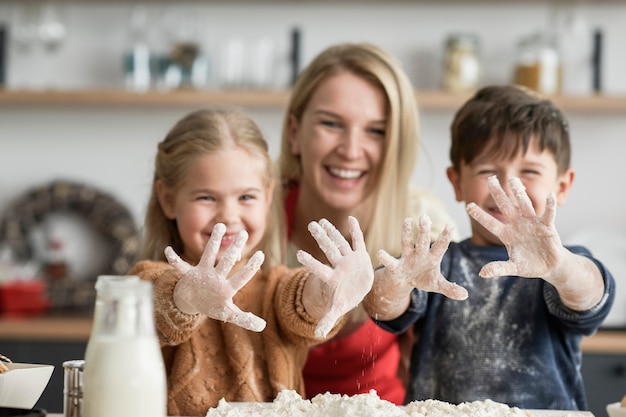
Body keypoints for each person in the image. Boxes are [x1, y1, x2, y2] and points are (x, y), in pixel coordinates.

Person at [363, 84, 616, 410]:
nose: (507, 186)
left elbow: (592, 297)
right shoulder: (437, 263)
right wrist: (398, 282)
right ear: (456, 182)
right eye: (487, 171)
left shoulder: (562, 265)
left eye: (529, 172)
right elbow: (381, 307)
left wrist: (561, 268)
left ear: (562, 185)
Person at [128, 107, 377, 416]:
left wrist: (325, 291)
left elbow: (299, 301)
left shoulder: (275, 288)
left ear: (268, 196)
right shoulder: (145, 281)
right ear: (168, 200)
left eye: (246, 197)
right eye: (206, 197)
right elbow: (155, 306)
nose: (229, 216)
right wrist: (186, 296)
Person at [278, 42, 460, 404]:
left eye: (376, 131)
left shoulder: (423, 222)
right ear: (296, 133)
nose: (350, 149)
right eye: (331, 123)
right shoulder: (248, 208)